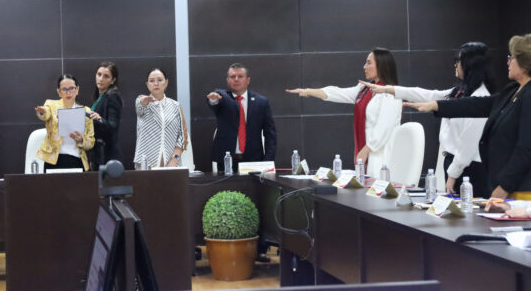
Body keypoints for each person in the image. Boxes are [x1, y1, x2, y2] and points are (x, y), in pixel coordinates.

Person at [406, 34, 531, 199]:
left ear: (524, 62)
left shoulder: (528, 95)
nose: (508, 62)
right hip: (502, 183)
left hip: (519, 188)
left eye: (512, 57)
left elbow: (526, 148)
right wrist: (436, 105)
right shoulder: (512, 90)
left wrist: (504, 186)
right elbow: (477, 105)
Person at [361, 42, 493, 194]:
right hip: (454, 165)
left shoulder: (480, 97)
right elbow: (427, 94)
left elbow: (468, 145)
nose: (455, 65)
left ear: (471, 64)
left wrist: (453, 174)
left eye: (458, 60)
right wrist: (389, 89)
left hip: (470, 170)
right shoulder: (460, 91)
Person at [286, 48, 401, 178]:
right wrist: (308, 91)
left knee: (378, 185)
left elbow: (384, 128)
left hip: (381, 153)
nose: (364, 67)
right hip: (367, 151)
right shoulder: (364, 90)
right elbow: (338, 93)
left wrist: (366, 150)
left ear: (381, 66)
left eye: (369, 63)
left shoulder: (391, 93)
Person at [207, 63, 277, 172]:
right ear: (227, 80)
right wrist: (213, 99)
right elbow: (215, 102)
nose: (236, 79)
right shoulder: (223, 97)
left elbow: (270, 134)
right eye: (232, 76)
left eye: (240, 76)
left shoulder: (261, 102)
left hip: (254, 161)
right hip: (226, 161)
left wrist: (267, 161)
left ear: (248, 80)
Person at [35, 74, 95, 171]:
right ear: (58, 92)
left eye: (71, 88)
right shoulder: (51, 105)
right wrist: (42, 112)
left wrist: (81, 140)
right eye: (64, 89)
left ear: (77, 89)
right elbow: (46, 114)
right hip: (54, 160)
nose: (68, 92)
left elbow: (91, 142)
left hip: (77, 159)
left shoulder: (86, 111)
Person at [134, 68, 188, 168]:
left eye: (159, 80)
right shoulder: (142, 101)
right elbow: (139, 107)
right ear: (147, 84)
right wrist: (143, 101)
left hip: (171, 165)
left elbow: (183, 137)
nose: (156, 83)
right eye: (151, 81)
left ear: (166, 82)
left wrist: (174, 160)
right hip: (145, 165)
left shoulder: (175, 106)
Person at [87, 62, 123, 169]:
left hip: (107, 155)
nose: (101, 79)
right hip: (98, 154)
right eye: (99, 74)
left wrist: (100, 119)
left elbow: (113, 126)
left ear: (113, 80)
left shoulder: (113, 96)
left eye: (106, 76)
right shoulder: (99, 97)